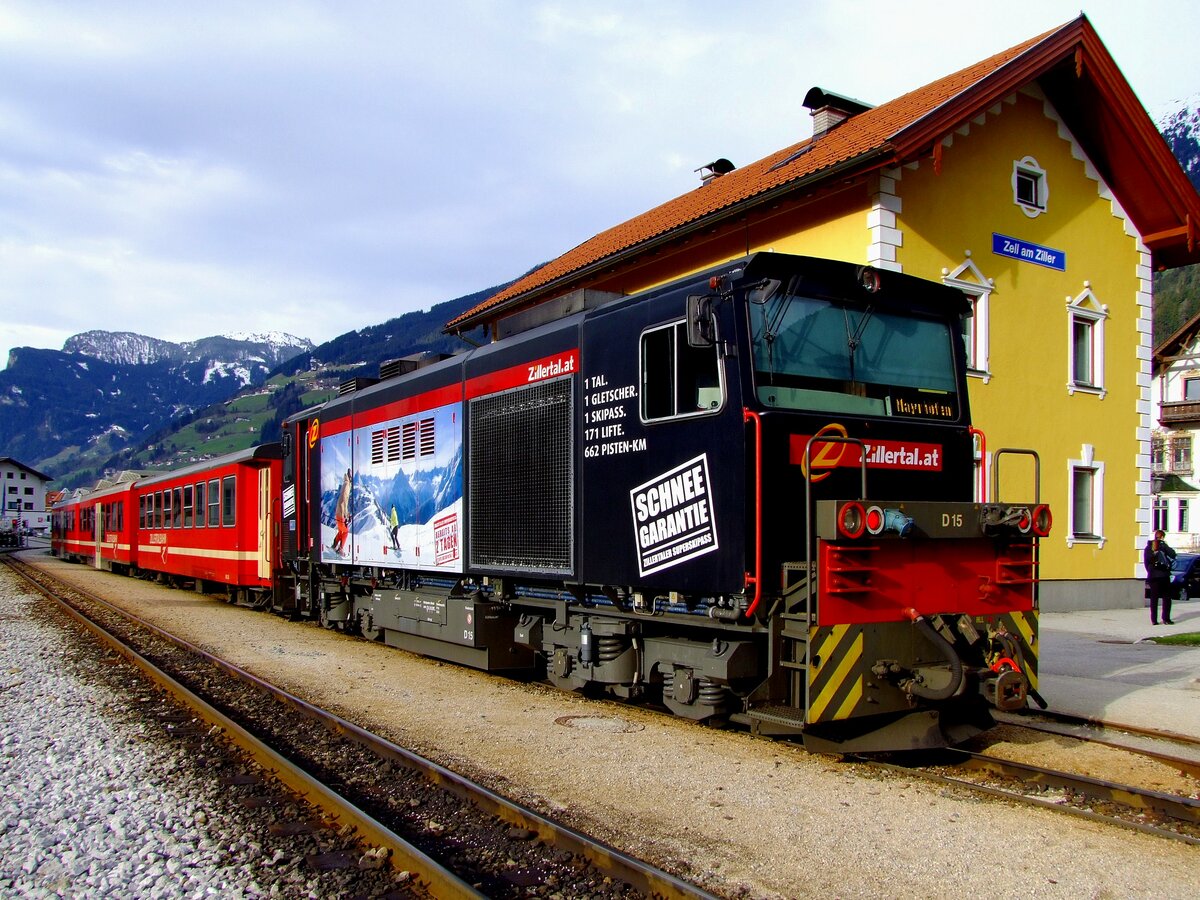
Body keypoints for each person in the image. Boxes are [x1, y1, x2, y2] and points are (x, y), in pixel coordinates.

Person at [1143, 529, 1176, 625]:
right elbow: (1173, 554)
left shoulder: (1148, 547)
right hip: (1163, 575)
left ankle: (1154, 620)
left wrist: (1150, 571)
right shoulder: (1161, 546)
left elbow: (1146, 562)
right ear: (1162, 537)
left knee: (1154, 598)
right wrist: (1164, 545)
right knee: (1166, 598)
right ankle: (1166, 619)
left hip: (1154, 576)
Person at [332, 469, 352, 557]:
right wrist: (345, 516)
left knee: (341, 531)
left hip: (339, 512)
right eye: (351, 476)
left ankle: (334, 545)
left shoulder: (345, 483)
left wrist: (347, 515)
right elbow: (344, 500)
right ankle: (340, 549)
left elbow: (344, 502)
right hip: (340, 513)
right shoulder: (347, 485)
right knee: (346, 531)